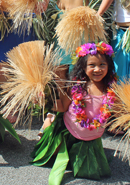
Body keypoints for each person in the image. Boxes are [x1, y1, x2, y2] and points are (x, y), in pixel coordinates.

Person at [31, 42, 116, 183]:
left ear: (109, 66)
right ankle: (48, 122)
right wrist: (44, 101)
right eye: (92, 65)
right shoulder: (75, 86)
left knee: (87, 171)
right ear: (83, 66)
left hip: (92, 134)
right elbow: (63, 106)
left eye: (102, 65)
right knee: (53, 155)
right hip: (69, 130)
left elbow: (118, 109)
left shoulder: (111, 89)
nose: (97, 69)